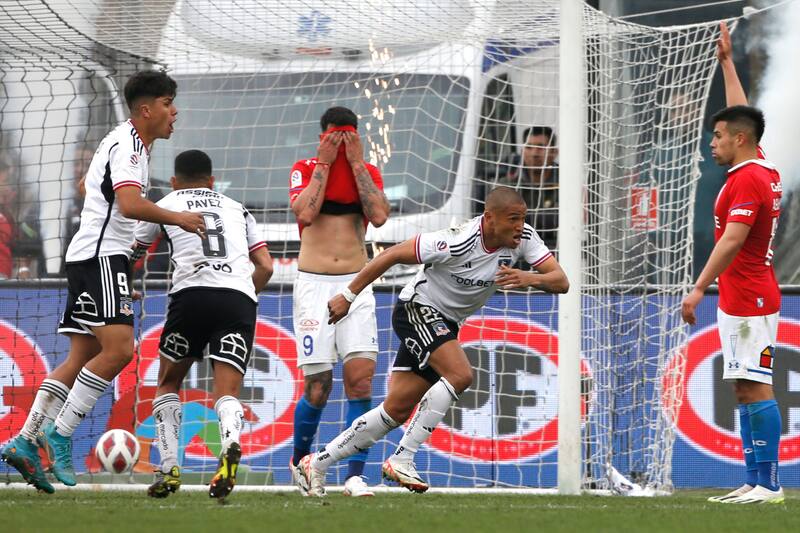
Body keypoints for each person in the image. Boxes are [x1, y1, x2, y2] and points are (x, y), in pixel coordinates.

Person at [0, 70, 205, 493]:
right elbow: (129, 204)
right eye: (168, 103)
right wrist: (178, 217)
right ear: (146, 110)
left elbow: (88, 183)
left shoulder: (125, 142)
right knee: (120, 351)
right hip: (100, 258)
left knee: (81, 357)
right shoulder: (129, 146)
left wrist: (100, 195)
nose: (175, 111)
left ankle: (24, 441)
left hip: (86, 256)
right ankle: (59, 433)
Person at [294, 186, 568, 496]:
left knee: (395, 411)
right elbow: (394, 254)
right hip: (417, 309)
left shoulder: (524, 239)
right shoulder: (457, 240)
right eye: (514, 218)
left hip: (447, 323)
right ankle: (403, 458)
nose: (520, 225)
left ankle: (317, 463)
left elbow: (561, 281)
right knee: (461, 374)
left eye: (524, 218)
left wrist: (530, 277)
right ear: (489, 218)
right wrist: (347, 295)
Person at [681, 22, 783, 505]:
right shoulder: (755, 162)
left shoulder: (747, 180)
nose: (712, 143)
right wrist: (726, 62)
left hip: (751, 296)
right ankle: (754, 479)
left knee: (755, 387)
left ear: (739, 140)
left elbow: (733, 241)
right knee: (744, 387)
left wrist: (699, 286)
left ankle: (769, 484)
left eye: (718, 136)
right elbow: (745, 115)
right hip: (746, 294)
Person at [133, 150, 272, 500]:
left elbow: (133, 252)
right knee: (227, 391)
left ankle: (168, 470)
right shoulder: (238, 208)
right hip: (238, 299)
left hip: (191, 296)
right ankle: (231, 444)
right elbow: (267, 266)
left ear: (176, 180)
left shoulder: (166, 202)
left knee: (168, 382)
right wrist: (242, 294)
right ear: (213, 181)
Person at [288, 106, 390, 497]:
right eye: (335, 135)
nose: (341, 142)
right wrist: (327, 165)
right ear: (322, 136)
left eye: (348, 135)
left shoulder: (367, 171)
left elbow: (379, 216)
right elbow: (306, 211)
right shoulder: (304, 167)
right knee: (318, 385)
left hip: (356, 285)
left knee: (360, 381)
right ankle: (301, 464)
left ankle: (354, 474)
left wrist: (357, 162)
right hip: (313, 286)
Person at [498, 126, 559, 249]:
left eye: (541, 147)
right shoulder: (507, 184)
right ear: (522, 150)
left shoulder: (567, 183)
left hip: (557, 251)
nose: (534, 153)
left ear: (554, 152)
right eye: (529, 147)